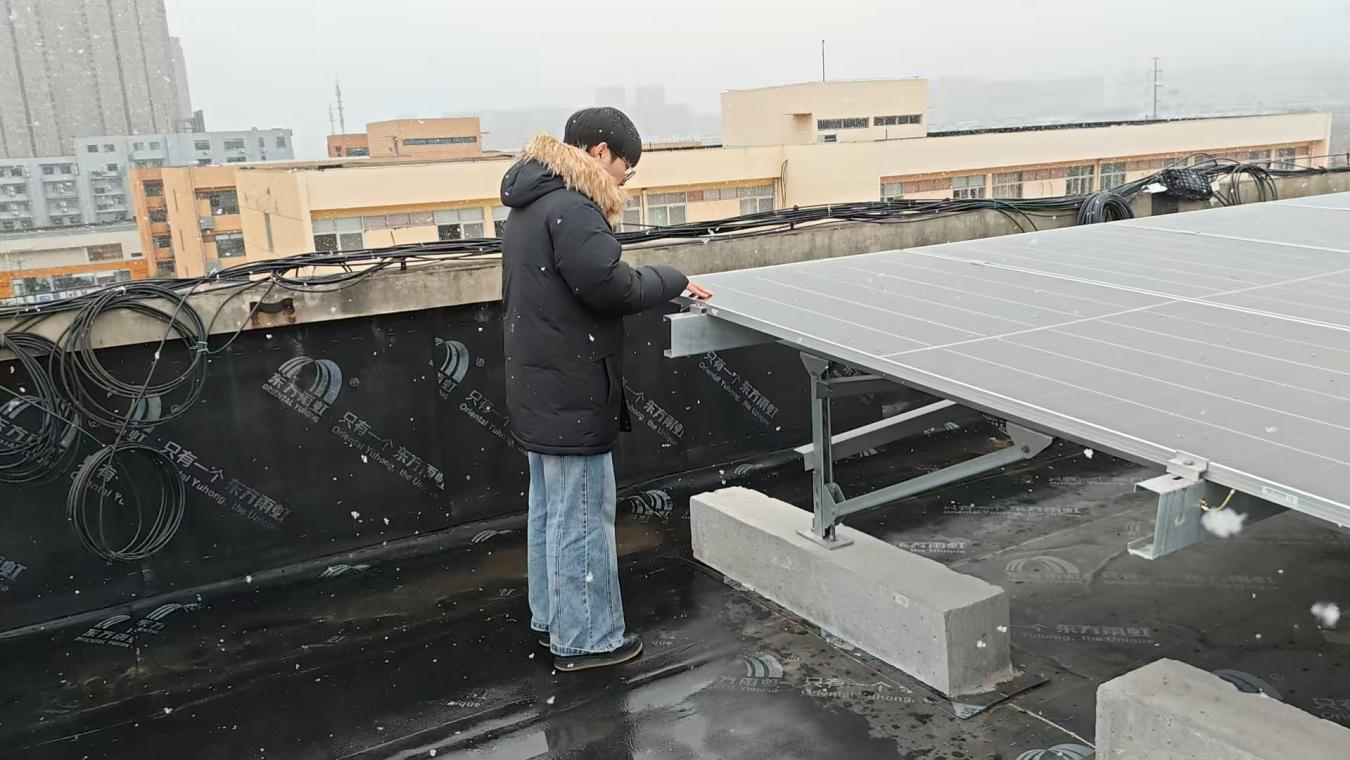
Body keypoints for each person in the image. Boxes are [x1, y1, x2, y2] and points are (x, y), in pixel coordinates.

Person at [499, 107, 711, 672]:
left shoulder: (530, 203)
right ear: (599, 152)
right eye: (626, 167)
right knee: (583, 519)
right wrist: (673, 278)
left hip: (540, 389)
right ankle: (588, 639)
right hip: (572, 393)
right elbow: (611, 287)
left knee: (552, 514)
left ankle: (553, 621)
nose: (624, 179)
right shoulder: (572, 206)